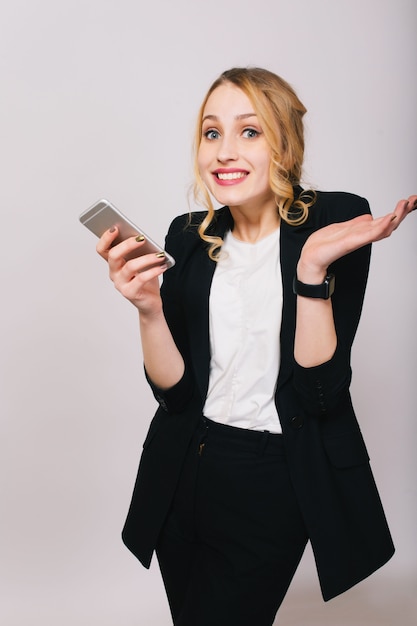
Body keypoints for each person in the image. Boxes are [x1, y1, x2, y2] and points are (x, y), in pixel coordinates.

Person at [96, 67, 416, 626]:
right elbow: (174, 395)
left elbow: (321, 392)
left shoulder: (334, 221)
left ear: (284, 146)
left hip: (271, 477)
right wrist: (148, 309)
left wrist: (312, 269)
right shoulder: (187, 237)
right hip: (182, 466)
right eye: (211, 132)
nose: (224, 150)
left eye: (249, 131)